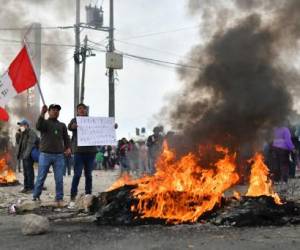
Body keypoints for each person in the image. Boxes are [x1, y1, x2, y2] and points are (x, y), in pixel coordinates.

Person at [33, 104, 71, 207]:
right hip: (45, 155)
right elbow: (38, 126)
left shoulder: (62, 125)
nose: (55, 112)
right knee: (41, 177)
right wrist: (42, 113)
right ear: (49, 112)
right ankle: (36, 196)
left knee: (59, 179)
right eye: (53, 110)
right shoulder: (44, 123)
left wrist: (68, 148)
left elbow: (66, 138)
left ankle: (59, 198)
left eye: (57, 110)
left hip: (59, 155)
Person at [68, 103, 97, 208]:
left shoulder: (92, 121)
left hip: (91, 152)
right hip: (79, 152)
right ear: (77, 111)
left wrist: (112, 127)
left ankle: (88, 196)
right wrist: (73, 126)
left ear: (86, 111)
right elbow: (69, 127)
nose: (81, 110)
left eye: (83, 109)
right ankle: (72, 198)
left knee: (89, 175)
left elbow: (102, 129)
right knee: (77, 175)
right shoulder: (74, 120)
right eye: (79, 109)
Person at [16, 119, 38, 193]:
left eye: (22, 125)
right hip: (24, 155)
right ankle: (26, 187)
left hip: (29, 155)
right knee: (25, 172)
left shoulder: (31, 133)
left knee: (29, 172)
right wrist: (17, 134)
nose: (20, 126)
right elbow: (18, 143)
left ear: (26, 125)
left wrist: (26, 155)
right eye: (20, 125)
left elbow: (30, 145)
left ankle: (31, 188)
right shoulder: (23, 133)